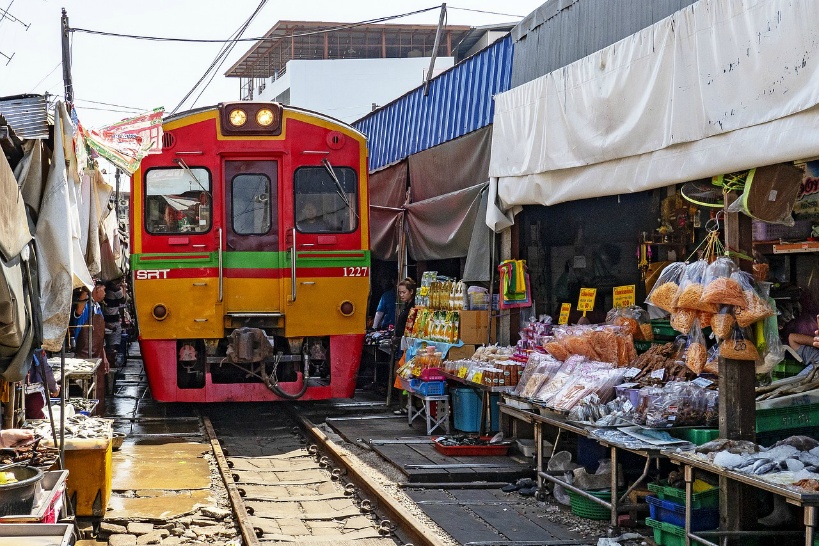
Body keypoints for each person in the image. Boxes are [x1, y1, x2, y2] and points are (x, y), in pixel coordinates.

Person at [392, 277, 416, 414]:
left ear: (411, 292)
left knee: (403, 373)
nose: (401, 295)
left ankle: (407, 406)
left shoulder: (413, 308)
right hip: (402, 341)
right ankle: (405, 405)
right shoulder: (407, 306)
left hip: (407, 344)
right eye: (400, 293)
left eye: (403, 292)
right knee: (401, 372)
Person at [25, 348, 59, 420]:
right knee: (37, 422)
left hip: (15, 392)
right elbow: (45, 370)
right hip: (34, 393)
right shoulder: (36, 348)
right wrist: (54, 388)